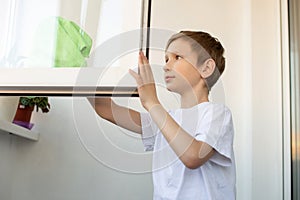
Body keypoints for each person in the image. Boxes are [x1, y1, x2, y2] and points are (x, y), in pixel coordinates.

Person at [88, 30, 236, 199]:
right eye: (166, 59)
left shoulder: (217, 114)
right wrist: (79, 73)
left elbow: (193, 156)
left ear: (206, 68)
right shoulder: (165, 119)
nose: (166, 65)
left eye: (177, 57)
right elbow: (105, 109)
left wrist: (152, 102)